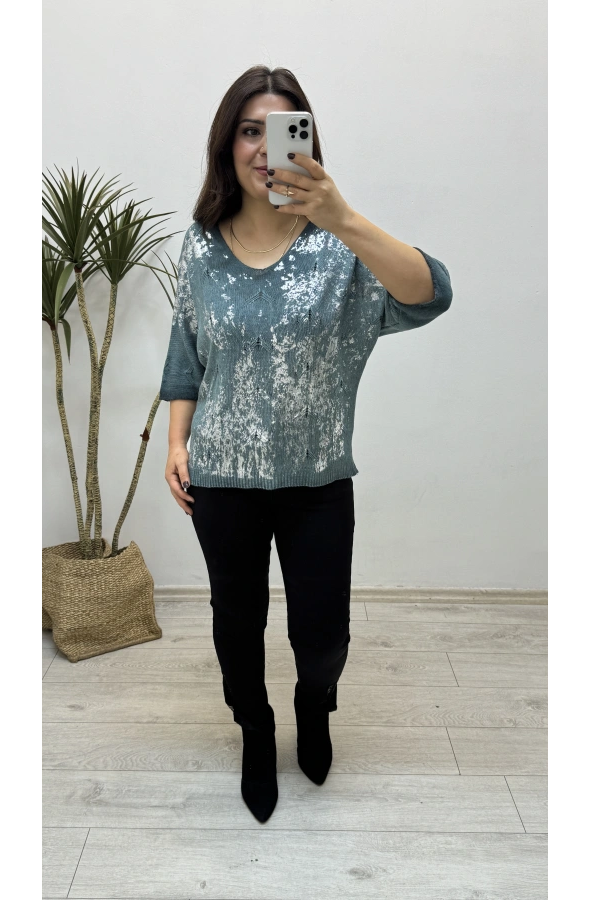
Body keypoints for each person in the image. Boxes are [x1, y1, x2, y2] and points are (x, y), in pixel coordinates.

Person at [160, 65, 453, 823]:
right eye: (248, 131)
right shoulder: (200, 248)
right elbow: (186, 351)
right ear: (226, 145)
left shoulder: (339, 251)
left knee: (322, 636)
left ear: (308, 142)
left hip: (318, 479)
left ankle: (313, 706)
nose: (264, 149)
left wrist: (342, 215)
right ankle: (256, 729)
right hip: (222, 479)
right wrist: (176, 442)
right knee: (236, 626)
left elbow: (431, 294)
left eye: (281, 132)